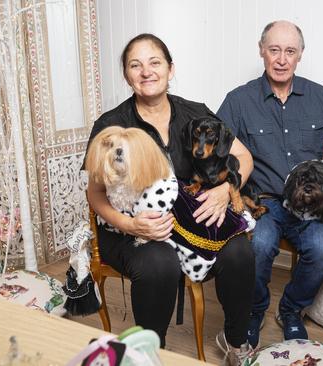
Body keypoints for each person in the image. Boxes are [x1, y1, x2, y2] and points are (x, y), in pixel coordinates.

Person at [84, 33, 255, 365]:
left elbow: (244, 158)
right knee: (158, 260)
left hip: (191, 225)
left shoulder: (196, 113)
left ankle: (236, 343)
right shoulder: (111, 124)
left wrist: (224, 190)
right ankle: (149, 353)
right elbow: (95, 193)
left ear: (170, 69)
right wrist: (131, 224)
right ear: (126, 75)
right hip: (129, 229)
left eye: (155, 63)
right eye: (136, 65)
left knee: (239, 250)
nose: (146, 72)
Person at [217, 20, 323, 348]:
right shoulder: (238, 100)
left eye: (290, 51)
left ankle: (292, 310)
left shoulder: (320, 96)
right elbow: (215, 154)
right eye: (275, 50)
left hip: (312, 204)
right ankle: (253, 311)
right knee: (259, 246)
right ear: (262, 51)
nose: (282, 59)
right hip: (263, 200)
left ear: (300, 56)